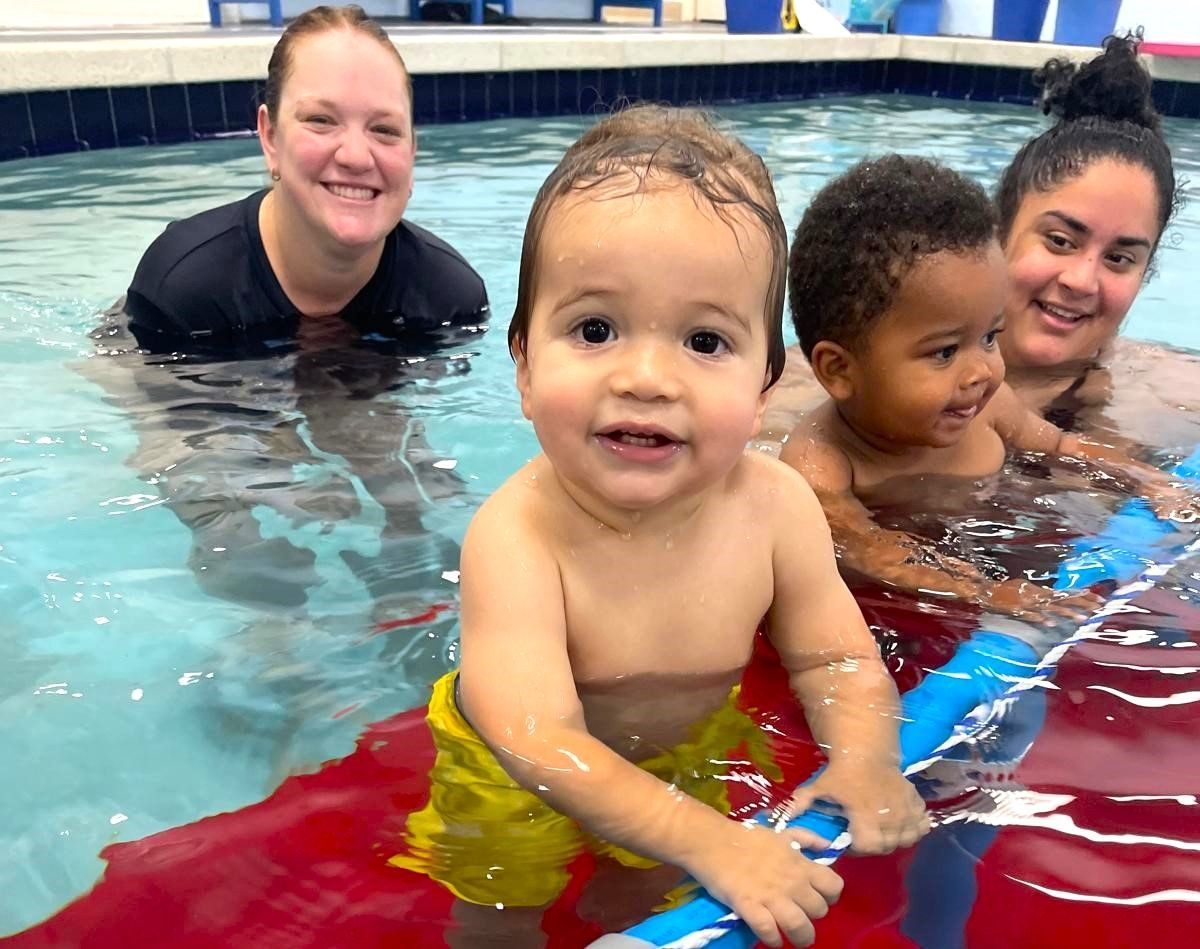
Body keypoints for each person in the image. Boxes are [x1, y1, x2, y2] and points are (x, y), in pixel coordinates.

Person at [391, 106, 929, 949]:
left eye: (705, 339)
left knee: (651, 900)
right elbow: (540, 740)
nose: (646, 377)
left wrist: (864, 758)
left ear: (763, 386)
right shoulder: (517, 538)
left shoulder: (778, 508)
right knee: (500, 910)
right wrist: (715, 840)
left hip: (688, 748)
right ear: (525, 365)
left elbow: (836, 657)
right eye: (595, 329)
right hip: (512, 774)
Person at [80, 5, 488, 772]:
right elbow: (165, 417)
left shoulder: (446, 296)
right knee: (234, 519)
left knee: (417, 500)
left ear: (413, 148)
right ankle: (282, 664)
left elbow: (409, 434)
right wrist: (262, 468)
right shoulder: (186, 283)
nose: (355, 155)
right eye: (321, 120)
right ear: (268, 136)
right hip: (196, 358)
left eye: (385, 130)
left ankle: (414, 654)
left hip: (354, 358)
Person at [779, 154, 1197, 619]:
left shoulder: (992, 404)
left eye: (989, 337)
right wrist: (990, 594)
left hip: (1007, 533)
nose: (981, 371)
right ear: (839, 370)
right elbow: (872, 551)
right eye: (944, 352)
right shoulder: (823, 466)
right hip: (906, 605)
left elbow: (1062, 446)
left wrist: (1147, 480)